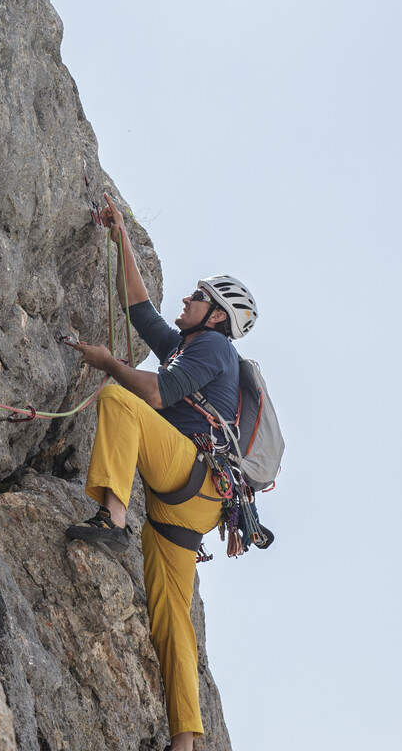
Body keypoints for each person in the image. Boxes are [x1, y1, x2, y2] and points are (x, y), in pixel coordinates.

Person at [64, 195, 258, 751]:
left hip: (192, 474)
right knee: (172, 617)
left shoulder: (214, 348)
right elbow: (140, 309)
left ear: (216, 314)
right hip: (190, 507)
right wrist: (119, 233)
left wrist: (108, 363)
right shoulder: (186, 345)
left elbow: (150, 390)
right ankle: (187, 740)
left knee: (120, 398)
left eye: (198, 296)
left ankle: (113, 520)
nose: (188, 299)